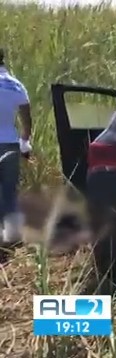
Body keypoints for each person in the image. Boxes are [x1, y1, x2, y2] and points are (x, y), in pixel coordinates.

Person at [0, 48, 33, 245]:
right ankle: (12, 237)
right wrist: (24, 143)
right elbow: (26, 120)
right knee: (10, 191)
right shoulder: (15, 85)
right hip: (10, 144)